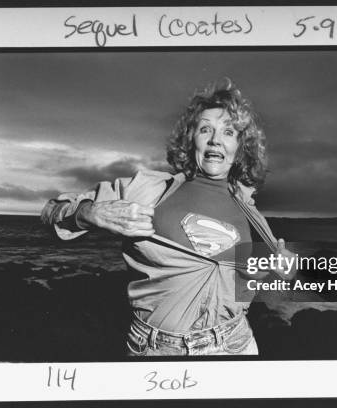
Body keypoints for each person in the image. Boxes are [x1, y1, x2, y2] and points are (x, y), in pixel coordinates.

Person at [41, 78, 296, 356]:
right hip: (155, 350)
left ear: (239, 148)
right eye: (205, 129)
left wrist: (284, 265)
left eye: (229, 132)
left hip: (235, 345)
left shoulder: (251, 213)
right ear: (191, 139)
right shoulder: (146, 189)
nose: (215, 139)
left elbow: (281, 272)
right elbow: (52, 212)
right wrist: (90, 213)